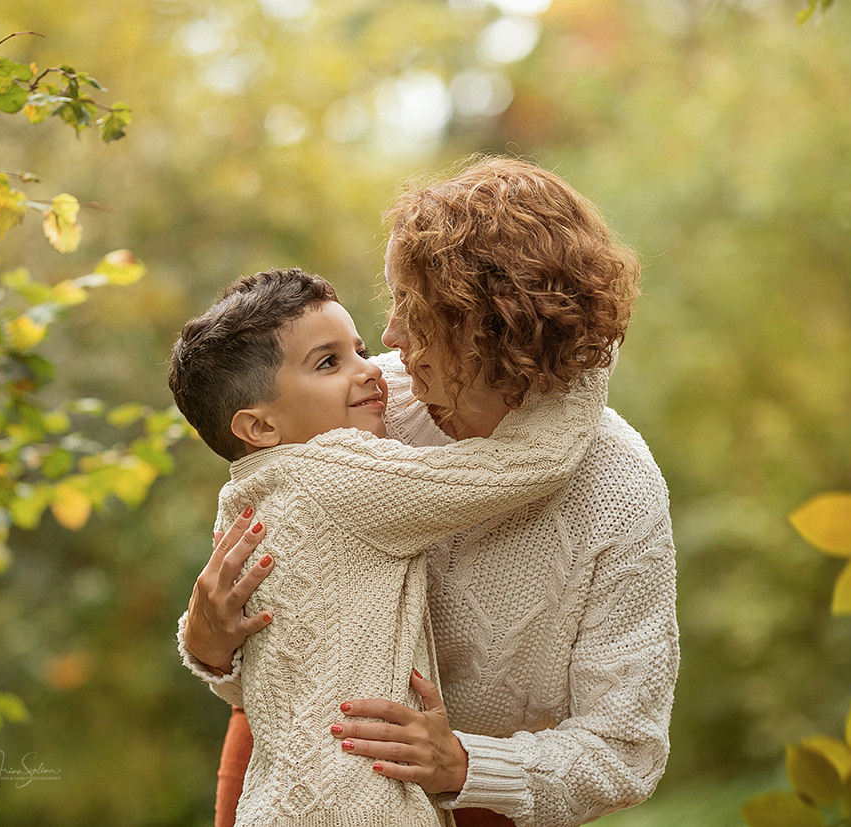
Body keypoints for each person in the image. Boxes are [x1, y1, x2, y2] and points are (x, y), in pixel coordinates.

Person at [180, 157, 679, 827]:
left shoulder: (618, 488)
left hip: (475, 807)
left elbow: (625, 753)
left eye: (413, 312)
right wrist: (209, 643)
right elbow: (285, 645)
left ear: (490, 329)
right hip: (296, 769)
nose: (387, 340)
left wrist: (465, 765)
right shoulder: (363, 403)